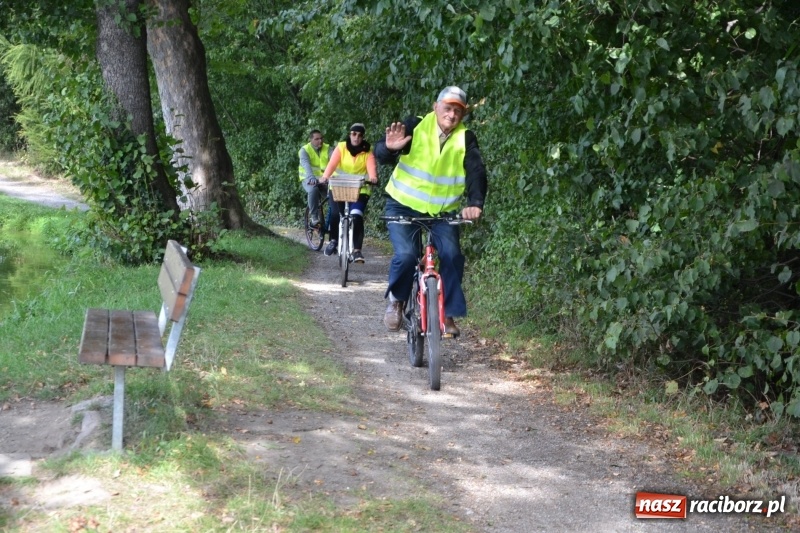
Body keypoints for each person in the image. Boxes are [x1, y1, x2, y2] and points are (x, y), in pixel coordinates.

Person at [374, 86, 487, 337]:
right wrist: (390, 149)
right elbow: (381, 152)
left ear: (464, 115)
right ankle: (397, 301)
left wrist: (475, 203)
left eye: (458, 111)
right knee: (406, 255)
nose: (451, 115)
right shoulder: (415, 126)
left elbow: (476, 171)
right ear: (435, 107)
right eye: (447, 108)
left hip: (442, 212)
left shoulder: (465, 138)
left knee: (452, 255)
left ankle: (447, 314)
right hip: (403, 204)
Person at [319, 123, 379, 263]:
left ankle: (357, 251)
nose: (356, 137)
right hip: (338, 187)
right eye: (353, 134)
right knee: (335, 214)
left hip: (359, 190)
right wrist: (325, 177)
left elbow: (371, 167)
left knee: (356, 216)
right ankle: (333, 241)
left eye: (359, 135)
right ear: (349, 134)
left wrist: (373, 177)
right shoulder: (341, 147)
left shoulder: (368, 151)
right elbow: (332, 164)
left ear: (363, 137)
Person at [298, 129, 333, 227]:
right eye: (317, 139)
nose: (320, 141)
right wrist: (312, 178)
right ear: (311, 140)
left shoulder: (327, 148)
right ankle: (314, 217)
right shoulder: (304, 150)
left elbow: (334, 161)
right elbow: (306, 165)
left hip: (324, 179)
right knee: (313, 189)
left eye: (321, 138)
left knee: (334, 195)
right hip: (308, 178)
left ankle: (334, 219)